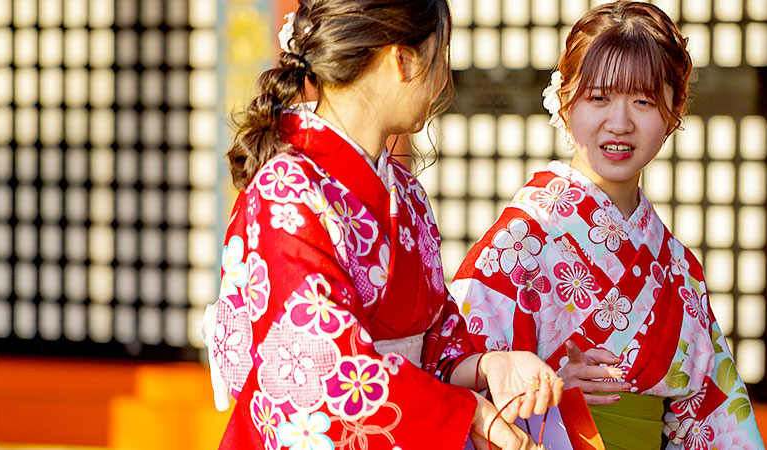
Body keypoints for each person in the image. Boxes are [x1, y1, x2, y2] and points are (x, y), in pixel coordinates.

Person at [200, 1, 563, 449]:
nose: (444, 79)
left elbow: (434, 343)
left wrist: (488, 366)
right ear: (403, 60)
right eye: (440, 54)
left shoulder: (405, 193)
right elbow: (323, 365)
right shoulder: (285, 190)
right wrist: (468, 413)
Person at [451, 2, 765, 449]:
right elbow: (454, 378)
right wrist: (551, 389)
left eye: (643, 101)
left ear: (675, 110)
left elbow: (711, 413)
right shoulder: (521, 241)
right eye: (598, 98)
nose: (619, 124)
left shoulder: (677, 267)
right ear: (564, 101)